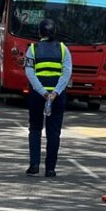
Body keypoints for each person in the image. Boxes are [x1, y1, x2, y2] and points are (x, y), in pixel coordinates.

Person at [24, 18, 73, 177]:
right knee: (54, 132)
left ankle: (34, 165)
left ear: (40, 32)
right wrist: (55, 93)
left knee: (35, 129)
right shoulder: (64, 49)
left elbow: (29, 73)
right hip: (57, 97)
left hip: (37, 95)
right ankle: (50, 169)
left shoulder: (32, 48)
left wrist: (43, 92)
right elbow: (66, 73)